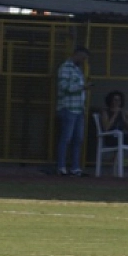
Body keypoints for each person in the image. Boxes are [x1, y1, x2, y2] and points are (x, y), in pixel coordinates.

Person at [55, 46, 90, 176]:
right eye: (82, 57)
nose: (83, 60)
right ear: (76, 54)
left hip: (79, 109)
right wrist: (82, 87)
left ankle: (75, 167)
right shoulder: (65, 68)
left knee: (78, 139)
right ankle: (61, 166)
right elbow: (63, 87)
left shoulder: (78, 70)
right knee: (66, 138)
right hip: (68, 108)